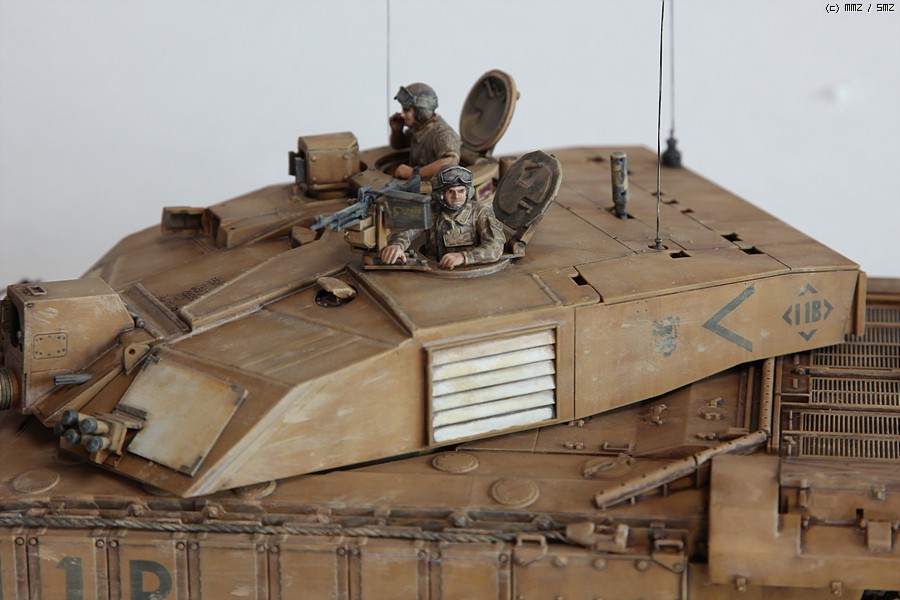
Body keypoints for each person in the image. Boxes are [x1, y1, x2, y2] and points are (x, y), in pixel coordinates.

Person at [380, 165, 505, 270]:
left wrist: (463, 257)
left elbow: (495, 247)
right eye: (451, 191)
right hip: (434, 272)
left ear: (468, 192)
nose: (456, 197)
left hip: (468, 272)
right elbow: (407, 230)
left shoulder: (480, 213)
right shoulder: (431, 211)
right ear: (440, 194)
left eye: (461, 191)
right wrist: (397, 245)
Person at [389, 83, 461, 180]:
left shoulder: (442, 134)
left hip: (434, 185)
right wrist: (396, 130)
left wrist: (413, 173)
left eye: (406, 110)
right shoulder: (419, 127)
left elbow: (450, 163)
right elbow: (399, 145)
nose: (402, 114)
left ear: (420, 111)